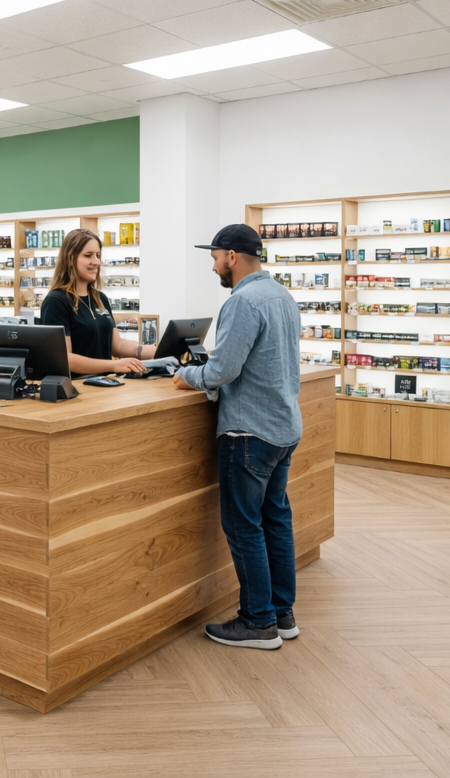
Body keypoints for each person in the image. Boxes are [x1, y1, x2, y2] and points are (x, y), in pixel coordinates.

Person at [174, 224, 302, 650]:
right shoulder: (282, 296)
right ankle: (282, 615)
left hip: (248, 432)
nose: (213, 267)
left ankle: (258, 622)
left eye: (214, 258)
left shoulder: (243, 301)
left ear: (231, 256)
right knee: (275, 519)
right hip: (283, 428)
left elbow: (221, 372)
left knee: (244, 527)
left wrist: (185, 375)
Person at [38, 229, 156, 376]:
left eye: (98, 255)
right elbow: (65, 358)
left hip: (105, 384)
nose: (96, 262)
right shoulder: (56, 301)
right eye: (88, 255)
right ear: (70, 259)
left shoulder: (100, 299)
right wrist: (114, 365)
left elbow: (117, 345)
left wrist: (154, 350)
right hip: (76, 388)